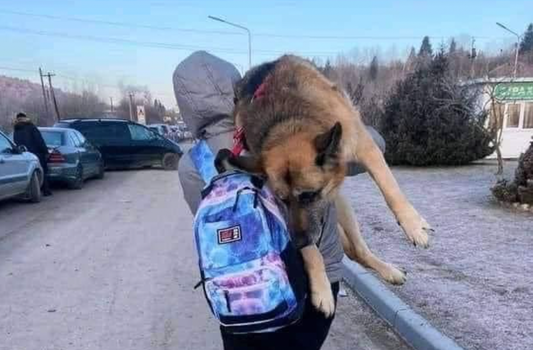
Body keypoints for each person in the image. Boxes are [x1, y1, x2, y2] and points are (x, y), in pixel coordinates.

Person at [174, 51, 386, 350]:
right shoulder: (277, 135)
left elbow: (211, 224)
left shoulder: (191, 164)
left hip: (240, 294)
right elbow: (372, 147)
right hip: (313, 285)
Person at [13, 112, 52, 196]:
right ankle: (46, 190)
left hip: (23, 155)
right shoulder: (31, 126)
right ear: (25, 117)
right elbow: (39, 140)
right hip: (36, 153)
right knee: (42, 171)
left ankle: (29, 192)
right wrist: (45, 151)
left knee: (28, 174)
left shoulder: (16, 129)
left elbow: (15, 142)